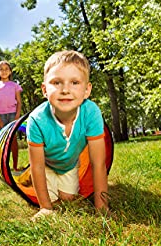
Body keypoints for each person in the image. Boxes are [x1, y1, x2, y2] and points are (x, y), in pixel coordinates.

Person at [26, 50, 109, 221]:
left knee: (68, 198)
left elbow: (98, 163)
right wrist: (45, 208)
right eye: (56, 82)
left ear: (87, 90)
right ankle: (28, 177)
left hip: (70, 165)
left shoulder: (91, 112)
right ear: (44, 90)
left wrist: (102, 207)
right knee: (53, 200)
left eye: (75, 82)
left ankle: (63, 179)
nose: (65, 90)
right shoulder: (37, 120)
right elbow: (38, 166)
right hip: (46, 165)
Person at [0, 60, 23, 171]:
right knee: (2, 140)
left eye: (6, 69)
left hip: (13, 114)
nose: (4, 71)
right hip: (1, 115)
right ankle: (3, 166)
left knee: (13, 140)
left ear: (10, 71)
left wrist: (17, 116)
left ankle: (15, 165)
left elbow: (19, 101)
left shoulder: (15, 85)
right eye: (1, 69)